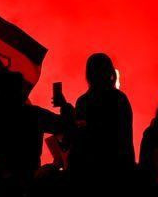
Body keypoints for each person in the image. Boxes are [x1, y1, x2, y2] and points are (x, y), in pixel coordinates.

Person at [54, 52, 136, 180]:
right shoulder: (120, 99)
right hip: (119, 172)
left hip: (89, 174)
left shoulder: (84, 102)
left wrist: (66, 110)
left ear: (89, 75)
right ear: (110, 73)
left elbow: (81, 134)